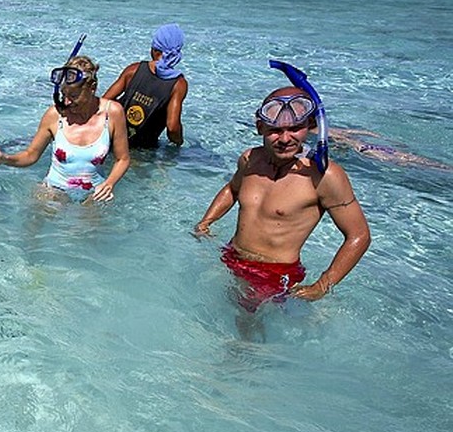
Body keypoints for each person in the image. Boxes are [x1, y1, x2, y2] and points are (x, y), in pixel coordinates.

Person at [193, 85, 371, 312]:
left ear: (311, 127)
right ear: (260, 128)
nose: (285, 139)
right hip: (231, 256)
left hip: (274, 276)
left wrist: (322, 285)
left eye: (295, 128)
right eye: (275, 130)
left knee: (245, 338)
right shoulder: (250, 160)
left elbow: (359, 235)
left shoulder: (324, 176)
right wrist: (206, 222)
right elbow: (232, 189)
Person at [0, 55, 129, 203]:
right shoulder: (55, 115)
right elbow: (31, 155)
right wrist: (5, 158)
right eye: (63, 94)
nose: (66, 101)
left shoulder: (113, 113)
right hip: (54, 190)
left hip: (94, 193)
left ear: (92, 88)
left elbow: (122, 159)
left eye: (73, 95)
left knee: (89, 224)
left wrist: (109, 183)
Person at [101, 23, 188, 148]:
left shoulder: (133, 70)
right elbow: (173, 127)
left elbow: (104, 103)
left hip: (113, 141)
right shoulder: (178, 84)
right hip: (144, 149)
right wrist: (179, 144)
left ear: (154, 49)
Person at [330, 127, 451, 171]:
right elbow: (365, 132)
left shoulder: (326, 134)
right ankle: (446, 168)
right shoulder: (336, 129)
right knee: (409, 158)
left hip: (365, 150)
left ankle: (446, 169)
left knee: (403, 162)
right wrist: (386, 139)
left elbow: (341, 148)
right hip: (375, 146)